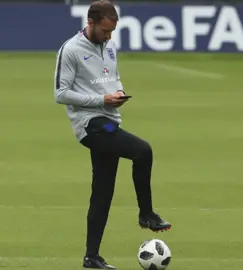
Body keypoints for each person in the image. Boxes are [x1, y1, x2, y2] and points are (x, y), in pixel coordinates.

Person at [53, 1, 171, 269]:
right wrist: (101, 100)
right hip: (91, 125)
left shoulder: (109, 47)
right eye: (105, 31)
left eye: (112, 32)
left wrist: (117, 93)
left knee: (103, 192)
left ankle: (91, 257)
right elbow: (60, 94)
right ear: (91, 23)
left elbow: (113, 79)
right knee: (143, 150)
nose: (109, 37)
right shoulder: (70, 50)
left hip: (109, 122)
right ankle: (147, 215)